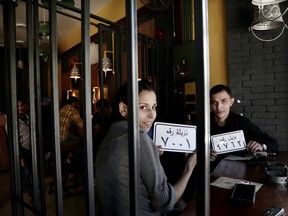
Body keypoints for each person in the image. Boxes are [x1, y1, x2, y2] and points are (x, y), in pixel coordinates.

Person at [95, 79, 197, 216]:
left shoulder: (110, 134)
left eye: (154, 107)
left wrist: (151, 154)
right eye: (143, 107)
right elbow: (164, 202)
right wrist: (189, 167)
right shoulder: (139, 137)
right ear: (123, 109)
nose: (152, 114)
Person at [210, 84, 278, 170]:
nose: (218, 107)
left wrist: (261, 146)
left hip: (240, 171)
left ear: (231, 102)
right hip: (211, 171)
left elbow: (273, 144)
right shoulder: (202, 123)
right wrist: (203, 154)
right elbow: (192, 152)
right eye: (214, 102)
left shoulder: (242, 122)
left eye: (224, 101)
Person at [59, 96, 83, 163]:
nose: (78, 105)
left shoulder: (63, 108)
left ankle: (69, 156)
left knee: (74, 138)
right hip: (63, 140)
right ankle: (71, 160)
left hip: (57, 138)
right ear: (73, 103)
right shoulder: (72, 110)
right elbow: (82, 125)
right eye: (77, 104)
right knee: (83, 143)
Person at [18, 99, 33, 202]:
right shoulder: (12, 120)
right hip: (22, 150)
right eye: (17, 106)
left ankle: (30, 190)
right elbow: (12, 139)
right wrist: (20, 157)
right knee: (26, 172)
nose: (20, 108)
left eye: (21, 105)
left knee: (30, 172)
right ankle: (32, 193)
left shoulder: (26, 116)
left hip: (30, 148)